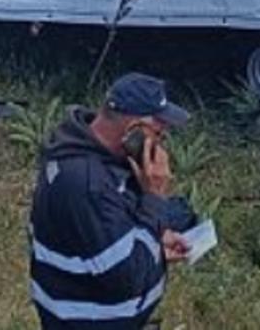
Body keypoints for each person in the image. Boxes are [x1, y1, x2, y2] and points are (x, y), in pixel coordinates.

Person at [28, 72, 193, 329]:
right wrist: (154, 197)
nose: (162, 142)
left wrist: (156, 243)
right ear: (134, 131)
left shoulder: (91, 155)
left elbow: (112, 235)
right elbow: (128, 277)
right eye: (159, 133)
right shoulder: (88, 184)